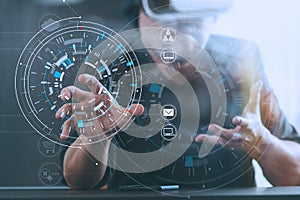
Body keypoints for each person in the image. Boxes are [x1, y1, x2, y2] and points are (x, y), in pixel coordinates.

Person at [58, 0, 300, 189]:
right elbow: (76, 179)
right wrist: (96, 137)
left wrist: (264, 145)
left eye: (191, 23)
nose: (177, 41)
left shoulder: (240, 59)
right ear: (140, 14)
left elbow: (295, 173)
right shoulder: (113, 63)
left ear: (213, 18)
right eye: (167, 24)